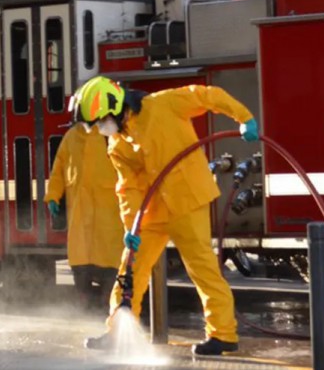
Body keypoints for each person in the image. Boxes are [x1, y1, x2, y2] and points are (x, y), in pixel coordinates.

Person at [73, 76, 259, 356]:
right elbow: (128, 188)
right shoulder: (117, 144)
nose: (101, 128)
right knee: (130, 269)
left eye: (101, 121)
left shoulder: (164, 104)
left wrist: (243, 118)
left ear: (115, 106)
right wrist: (131, 228)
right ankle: (117, 331)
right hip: (152, 212)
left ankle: (223, 334)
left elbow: (208, 95)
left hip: (188, 201)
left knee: (202, 269)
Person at [45, 116, 124, 311]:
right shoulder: (72, 136)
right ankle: (84, 310)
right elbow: (59, 167)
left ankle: (110, 306)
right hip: (81, 214)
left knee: (110, 263)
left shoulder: (112, 134)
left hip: (108, 212)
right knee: (81, 263)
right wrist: (53, 195)